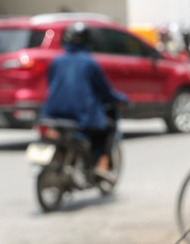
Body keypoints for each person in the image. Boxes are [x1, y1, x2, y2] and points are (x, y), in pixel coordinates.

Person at [41, 22, 128, 183]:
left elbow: (52, 84)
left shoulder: (56, 61)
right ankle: (101, 166)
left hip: (51, 114)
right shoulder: (89, 63)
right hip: (80, 117)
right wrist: (121, 99)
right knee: (109, 128)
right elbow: (104, 90)